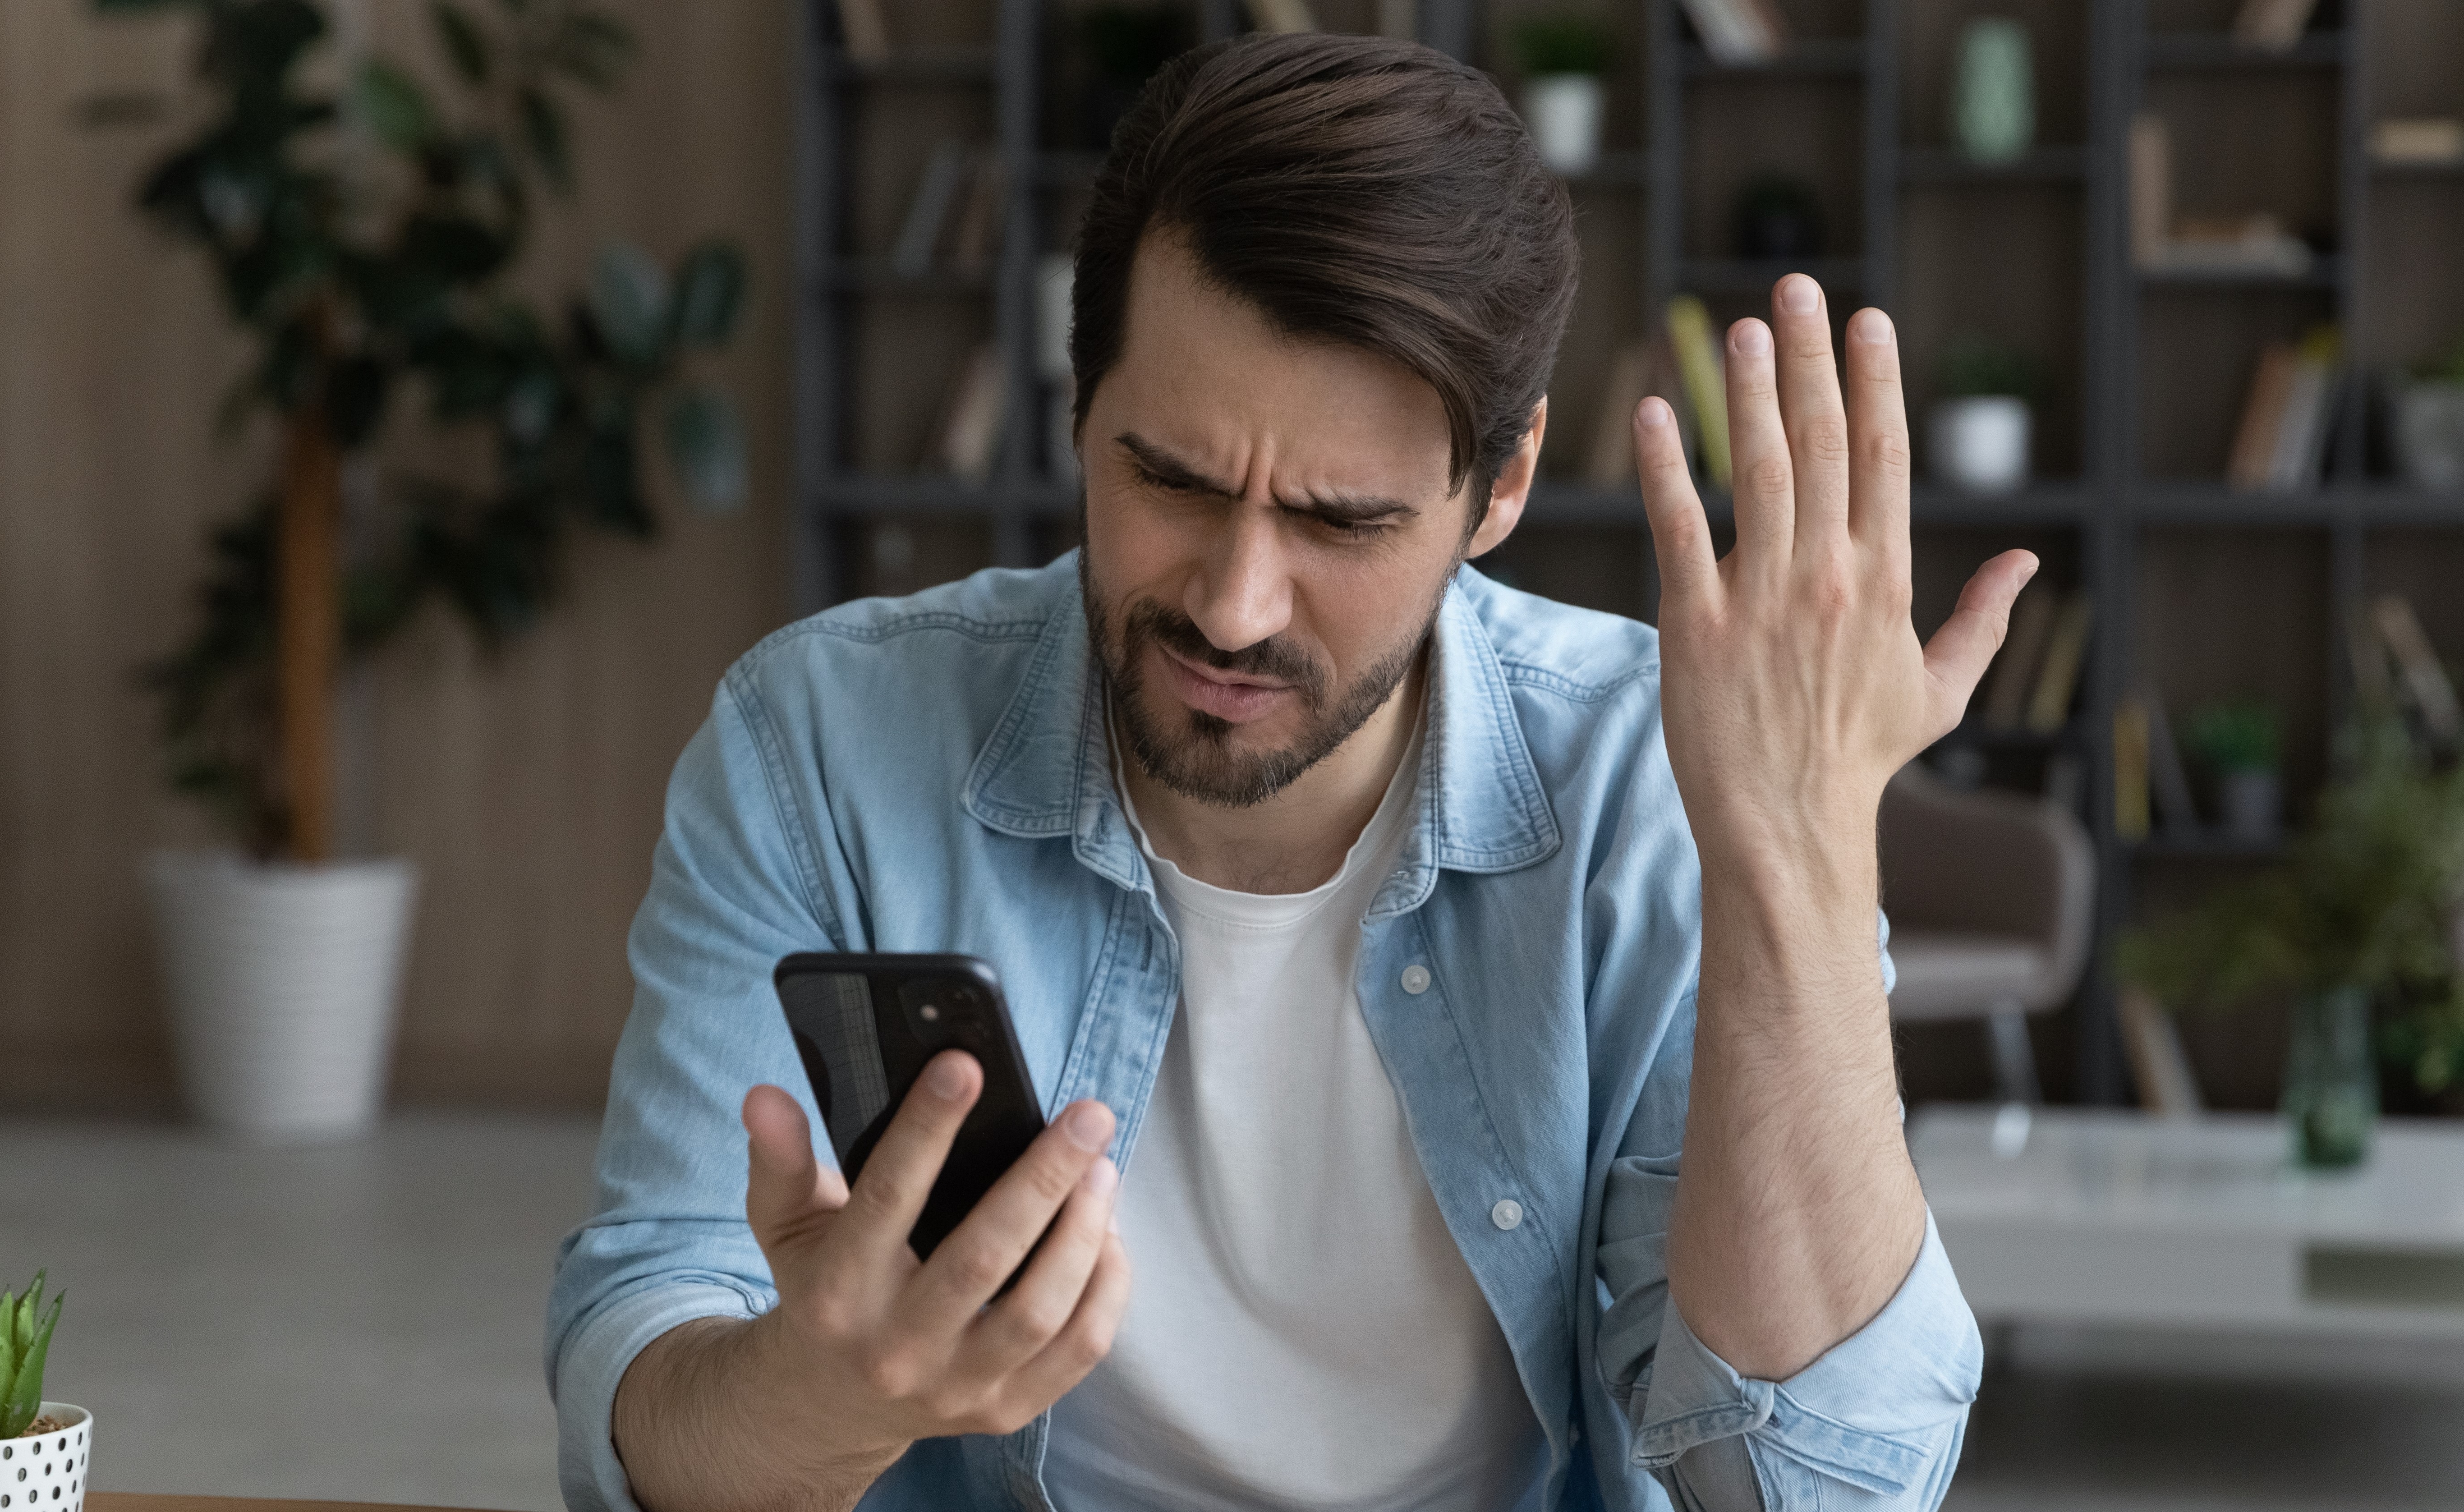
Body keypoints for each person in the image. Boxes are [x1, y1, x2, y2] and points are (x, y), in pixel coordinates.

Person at [547, 31, 2028, 1512]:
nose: (1235, 603)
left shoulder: (1650, 782)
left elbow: (1809, 1495)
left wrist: (1800, 858)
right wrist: (817, 1397)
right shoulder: (819, 739)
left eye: (1342, 522)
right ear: (1078, 408)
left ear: (1498, 487)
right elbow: (648, 1393)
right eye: (1171, 480)